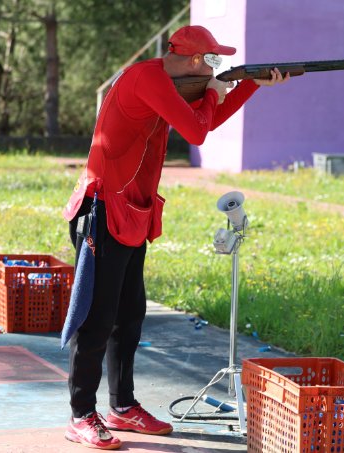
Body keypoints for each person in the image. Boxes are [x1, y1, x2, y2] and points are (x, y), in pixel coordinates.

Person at [60, 25, 288, 449]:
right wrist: (218, 91)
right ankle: (80, 414)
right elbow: (198, 131)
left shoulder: (166, 82)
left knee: (129, 317)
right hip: (104, 210)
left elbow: (207, 120)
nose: (216, 66)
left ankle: (122, 407)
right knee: (97, 319)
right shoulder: (148, 80)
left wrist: (249, 86)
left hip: (133, 210)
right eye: (213, 60)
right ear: (198, 62)